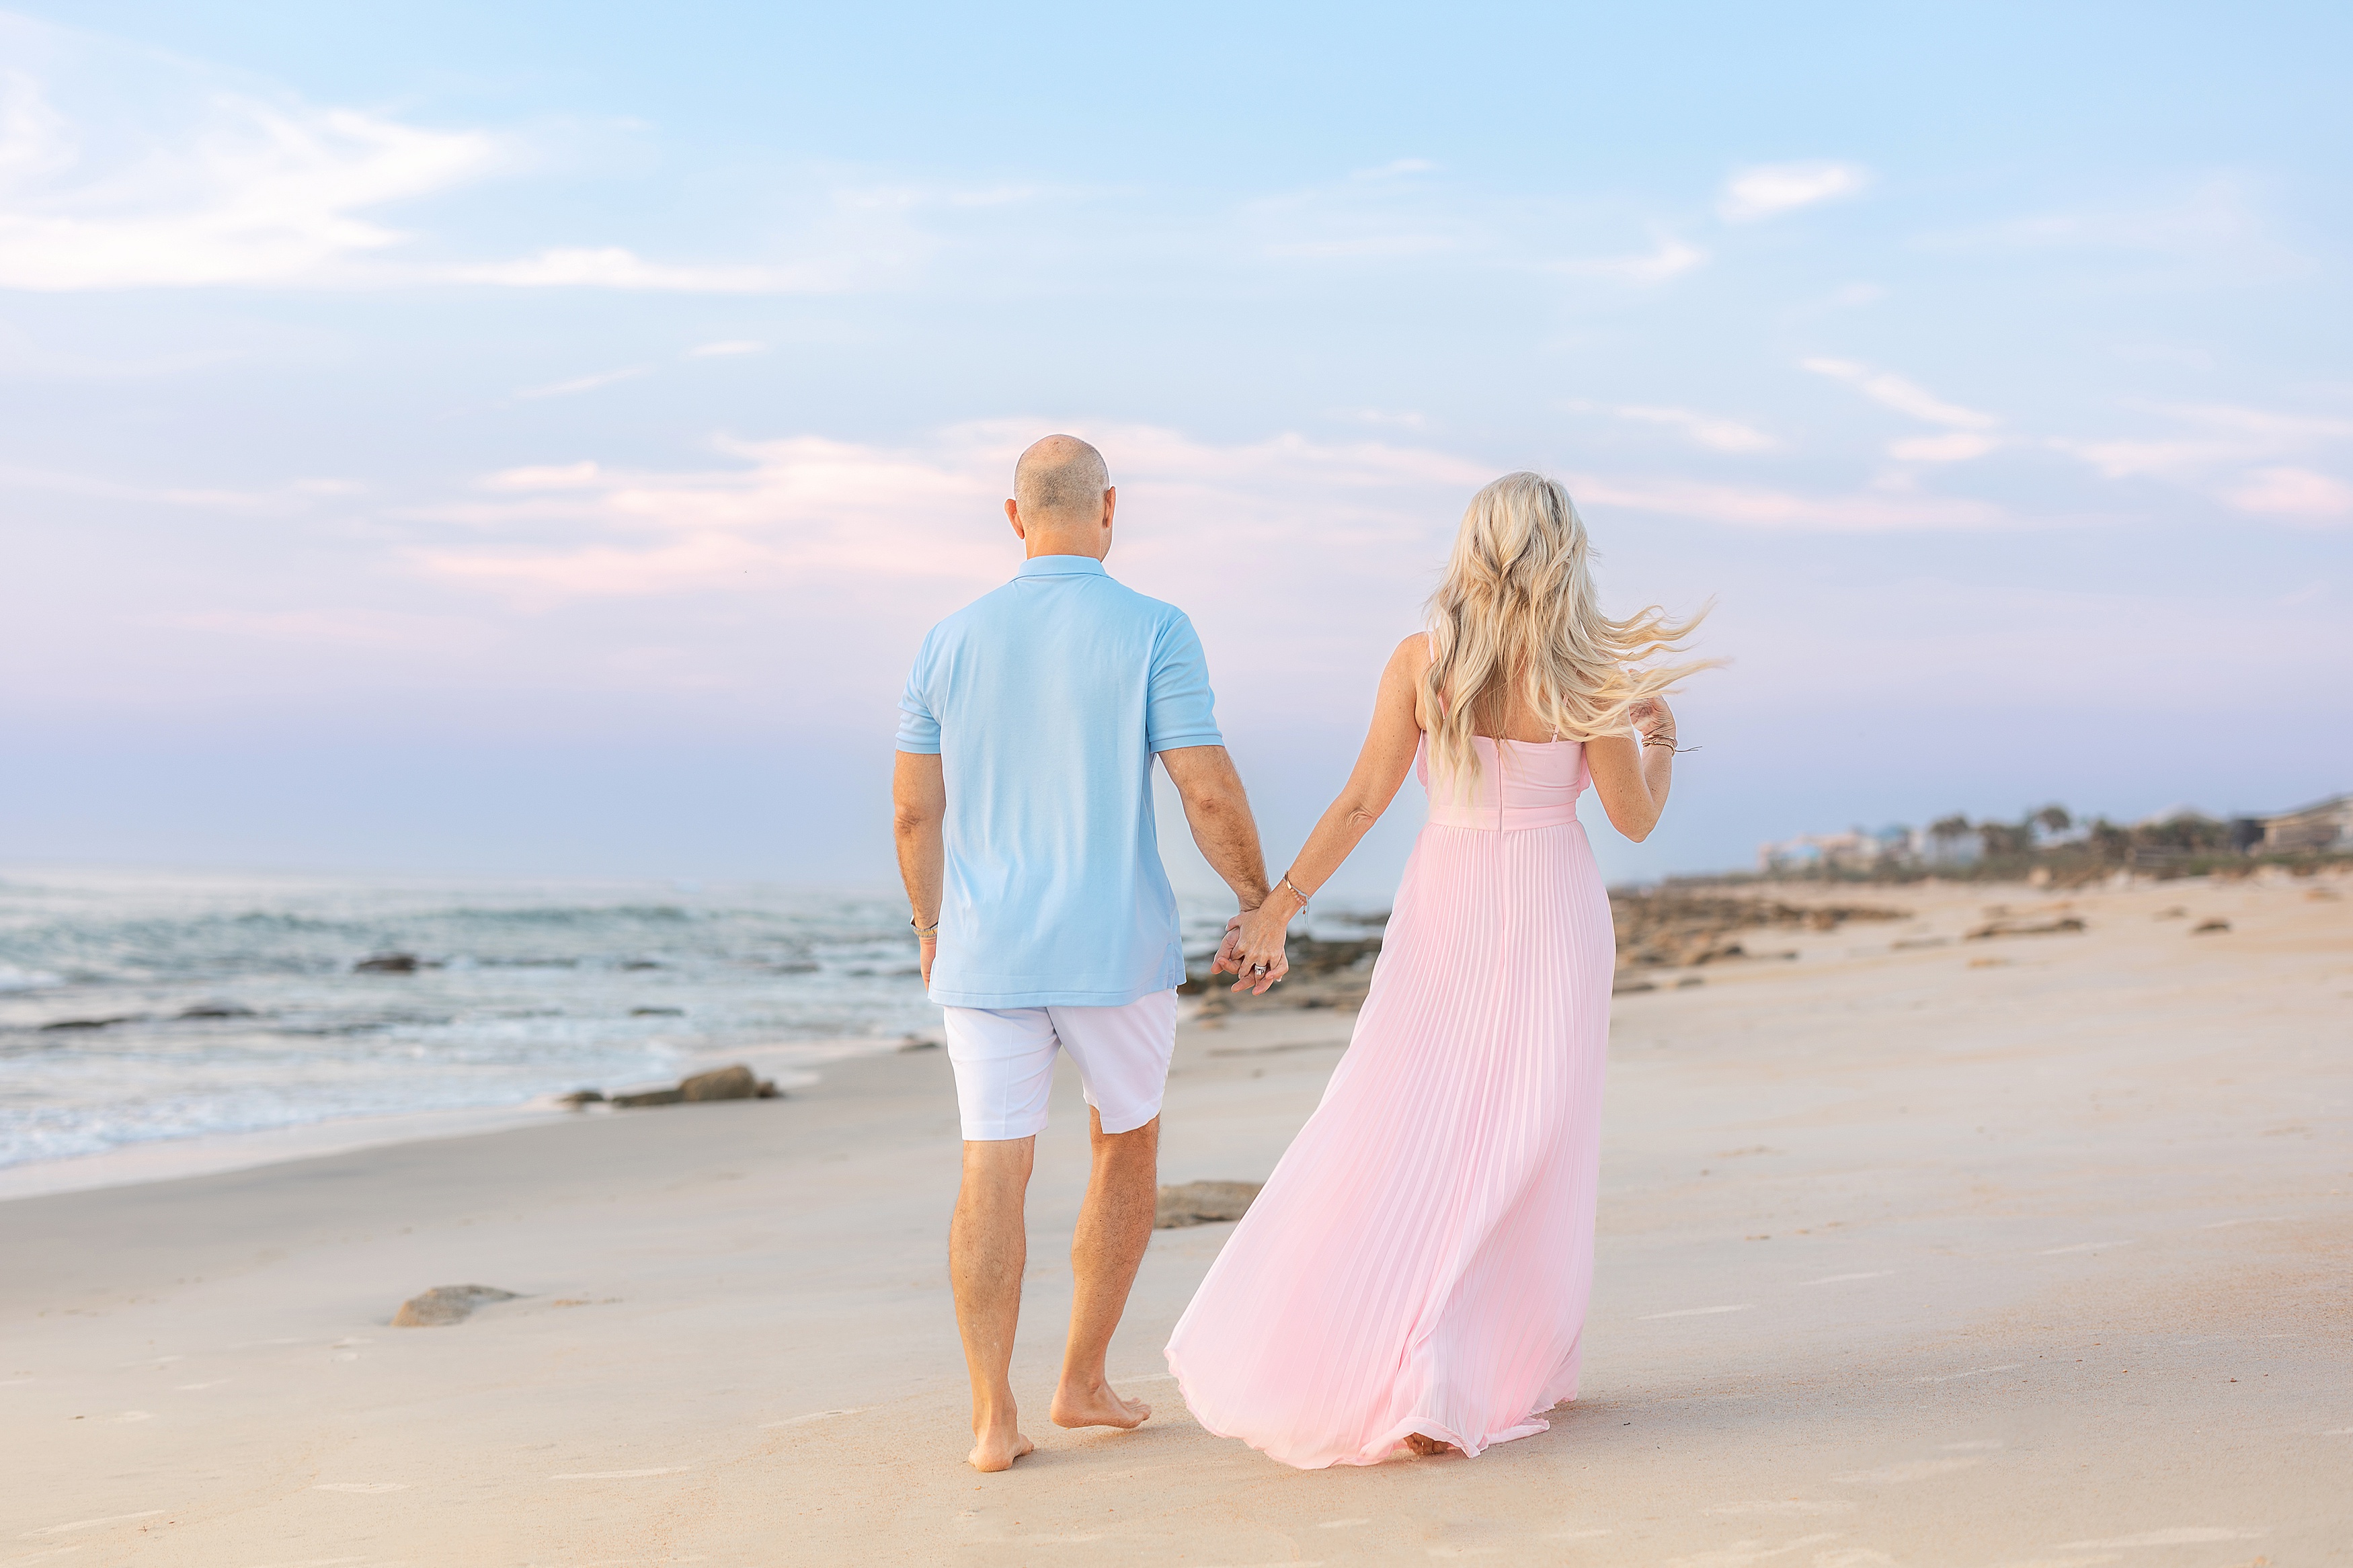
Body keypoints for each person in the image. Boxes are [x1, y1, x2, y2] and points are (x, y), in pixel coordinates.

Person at [1168, 470, 1710, 1469]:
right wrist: (1661, 743)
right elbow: (1633, 819)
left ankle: (1425, 1356)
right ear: (1566, 554)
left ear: (1472, 549)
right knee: (1529, 1133)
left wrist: (1276, 909)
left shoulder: (1423, 661)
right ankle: (1457, 1362)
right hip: (1552, 902)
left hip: (1449, 899)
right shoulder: (1591, 676)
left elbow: (1361, 801)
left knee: (1413, 1117)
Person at [891, 434, 1286, 1473]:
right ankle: (1082, 1380)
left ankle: (990, 1419)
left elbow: (912, 814)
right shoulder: (1155, 628)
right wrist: (1259, 901)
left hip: (985, 952)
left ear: (1014, 518)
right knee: (1125, 1145)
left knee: (993, 1168)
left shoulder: (947, 639)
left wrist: (932, 931)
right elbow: (1204, 788)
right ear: (1111, 508)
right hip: (1115, 947)